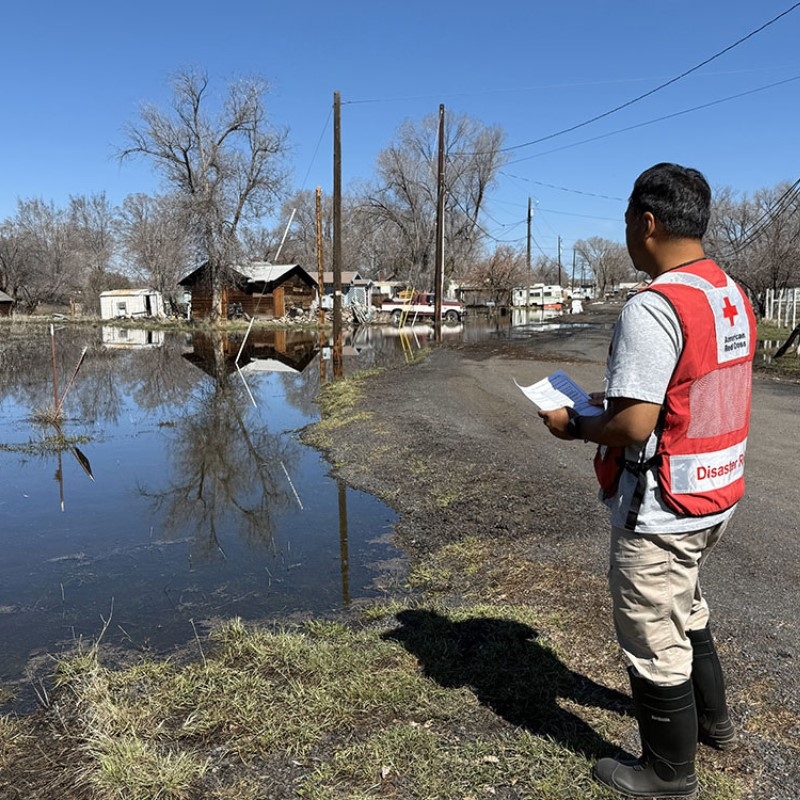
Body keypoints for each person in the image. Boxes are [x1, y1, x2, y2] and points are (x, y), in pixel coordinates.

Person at [539, 163, 755, 799]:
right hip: (715, 491)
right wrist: (619, 399)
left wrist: (573, 427)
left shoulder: (655, 306)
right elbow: (682, 389)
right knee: (686, 607)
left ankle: (667, 772)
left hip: (662, 503)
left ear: (648, 222)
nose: (628, 233)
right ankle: (714, 725)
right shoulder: (728, 294)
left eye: (628, 221)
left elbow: (635, 426)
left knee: (652, 629)